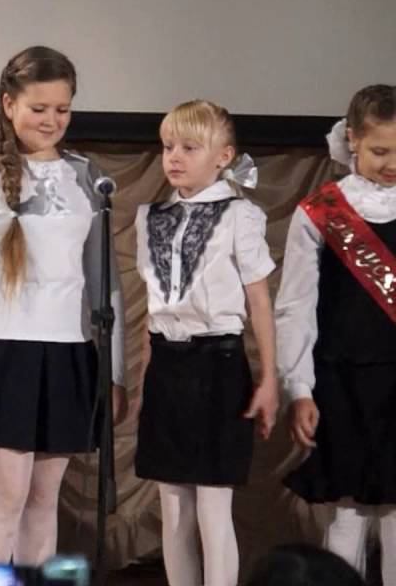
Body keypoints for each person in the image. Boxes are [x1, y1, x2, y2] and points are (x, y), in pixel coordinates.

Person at [0, 45, 125, 566]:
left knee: (45, 501)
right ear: (8, 104)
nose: (51, 120)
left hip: (68, 354)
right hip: (4, 354)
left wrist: (115, 373)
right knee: (5, 499)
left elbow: (106, 284)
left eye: (62, 109)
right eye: (38, 108)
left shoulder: (87, 176)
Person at [133, 99, 278, 586]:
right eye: (168, 146)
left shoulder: (240, 215)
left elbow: (259, 300)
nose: (174, 156)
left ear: (223, 156)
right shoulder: (150, 217)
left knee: (214, 508)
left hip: (217, 366)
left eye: (190, 147)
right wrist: (145, 379)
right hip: (167, 366)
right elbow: (154, 308)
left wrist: (269, 379)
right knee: (174, 509)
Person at [277, 84, 396, 583]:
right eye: (380, 151)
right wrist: (299, 389)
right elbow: (295, 307)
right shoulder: (320, 211)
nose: (392, 164)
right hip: (339, 380)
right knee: (346, 513)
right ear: (352, 139)